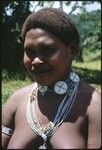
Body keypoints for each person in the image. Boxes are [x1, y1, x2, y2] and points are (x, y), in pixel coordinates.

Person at [2, 8, 101, 149]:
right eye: (29, 52)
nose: (35, 61)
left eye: (47, 50)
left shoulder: (94, 106)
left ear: (71, 50)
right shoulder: (17, 100)